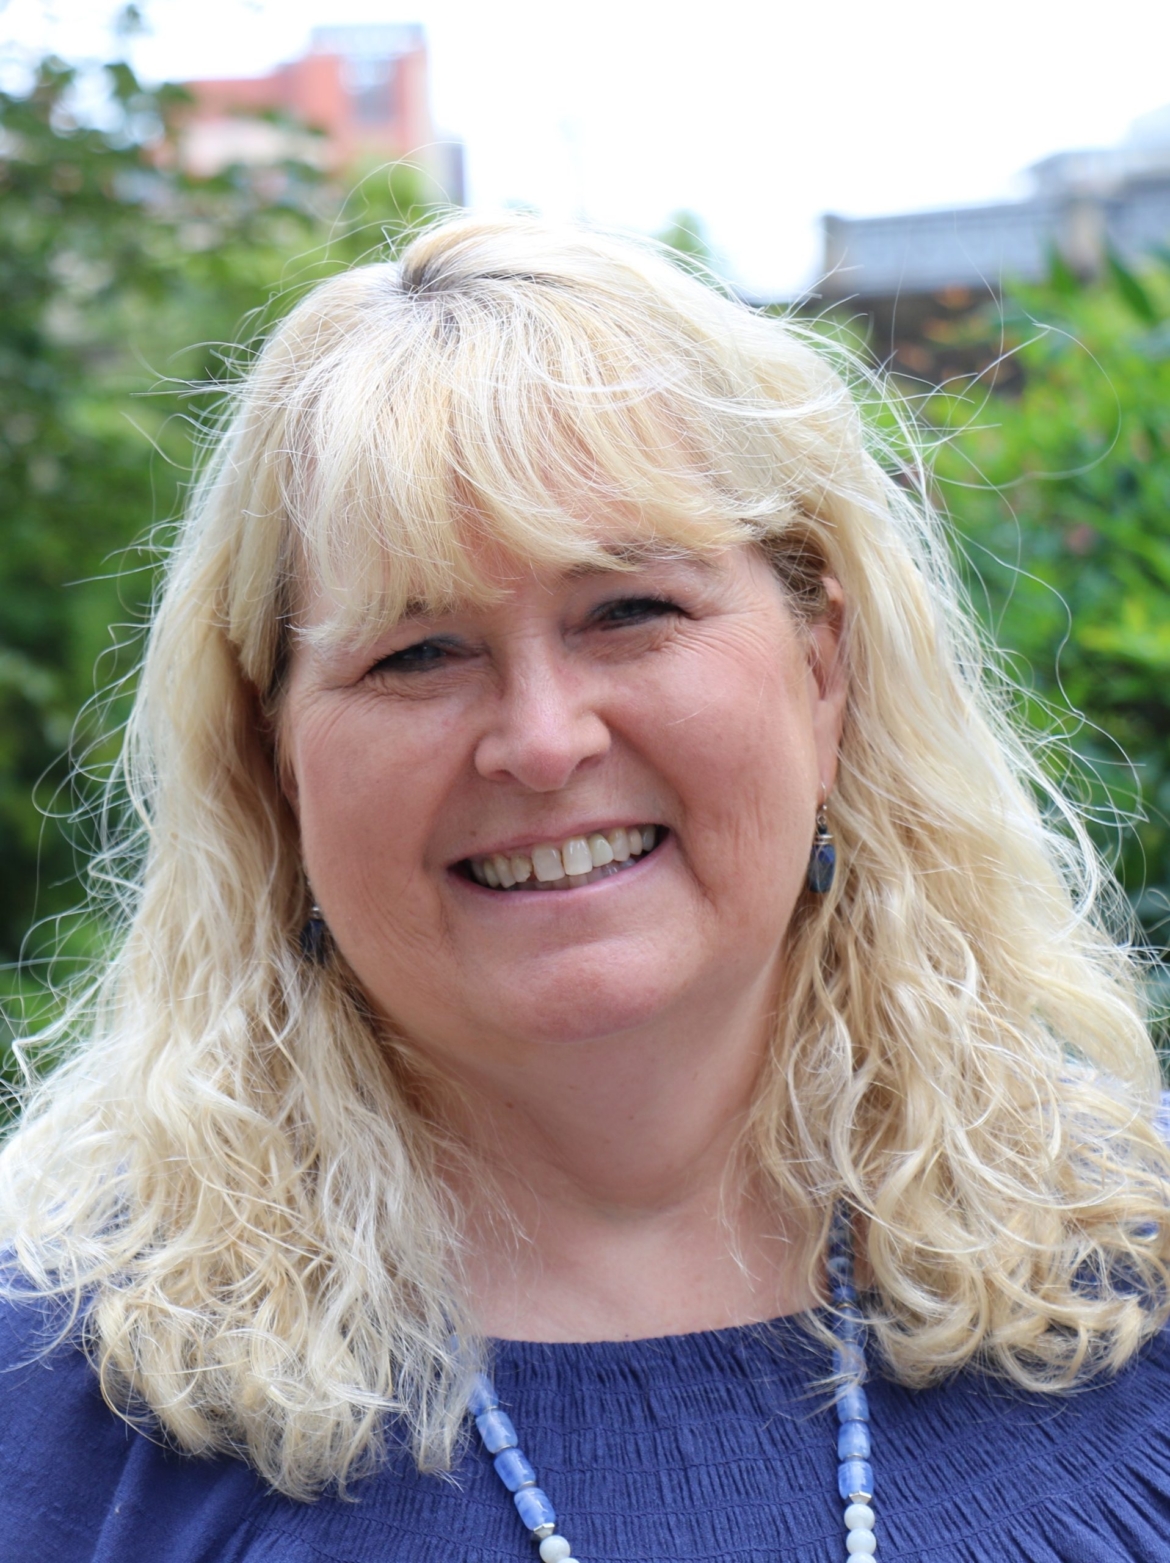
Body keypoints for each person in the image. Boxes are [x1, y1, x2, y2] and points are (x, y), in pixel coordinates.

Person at [1, 213, 1168, 1563]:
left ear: (820, 666)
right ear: (271, 761)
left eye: (630, 613)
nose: (543, 741)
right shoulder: (58, 1393)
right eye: (417, 653)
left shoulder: (1134, 1270)